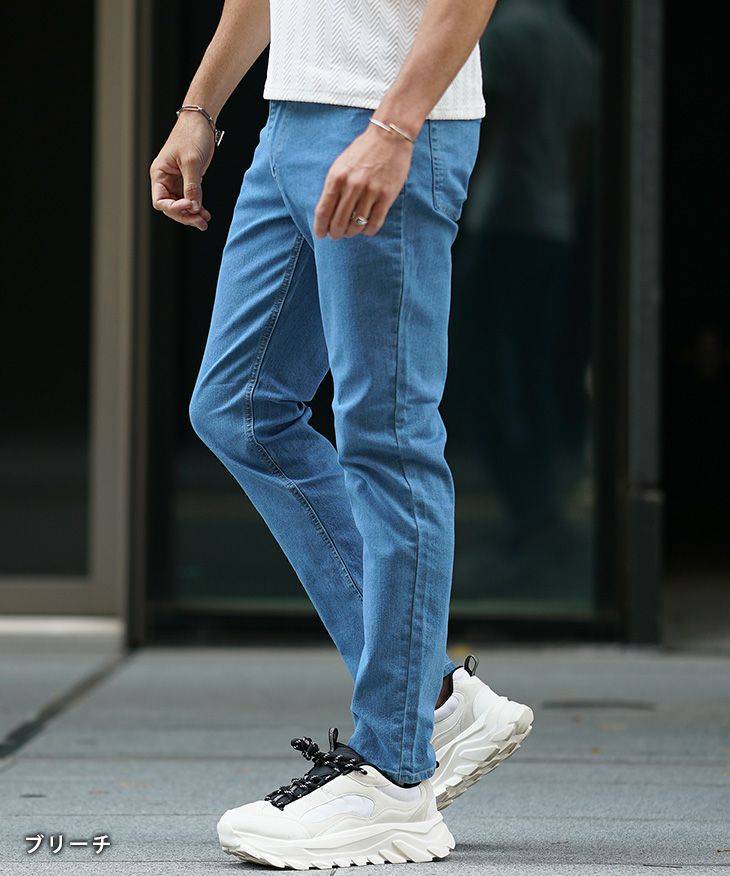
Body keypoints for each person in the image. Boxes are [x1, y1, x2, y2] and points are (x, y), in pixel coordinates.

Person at [150, 0, 534, 867]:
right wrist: (200, 108)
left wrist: (396, 128)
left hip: (390, 120)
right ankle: (433, 698)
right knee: (239, 407)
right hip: (290, 118)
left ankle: (394, 781)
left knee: (388, 441)